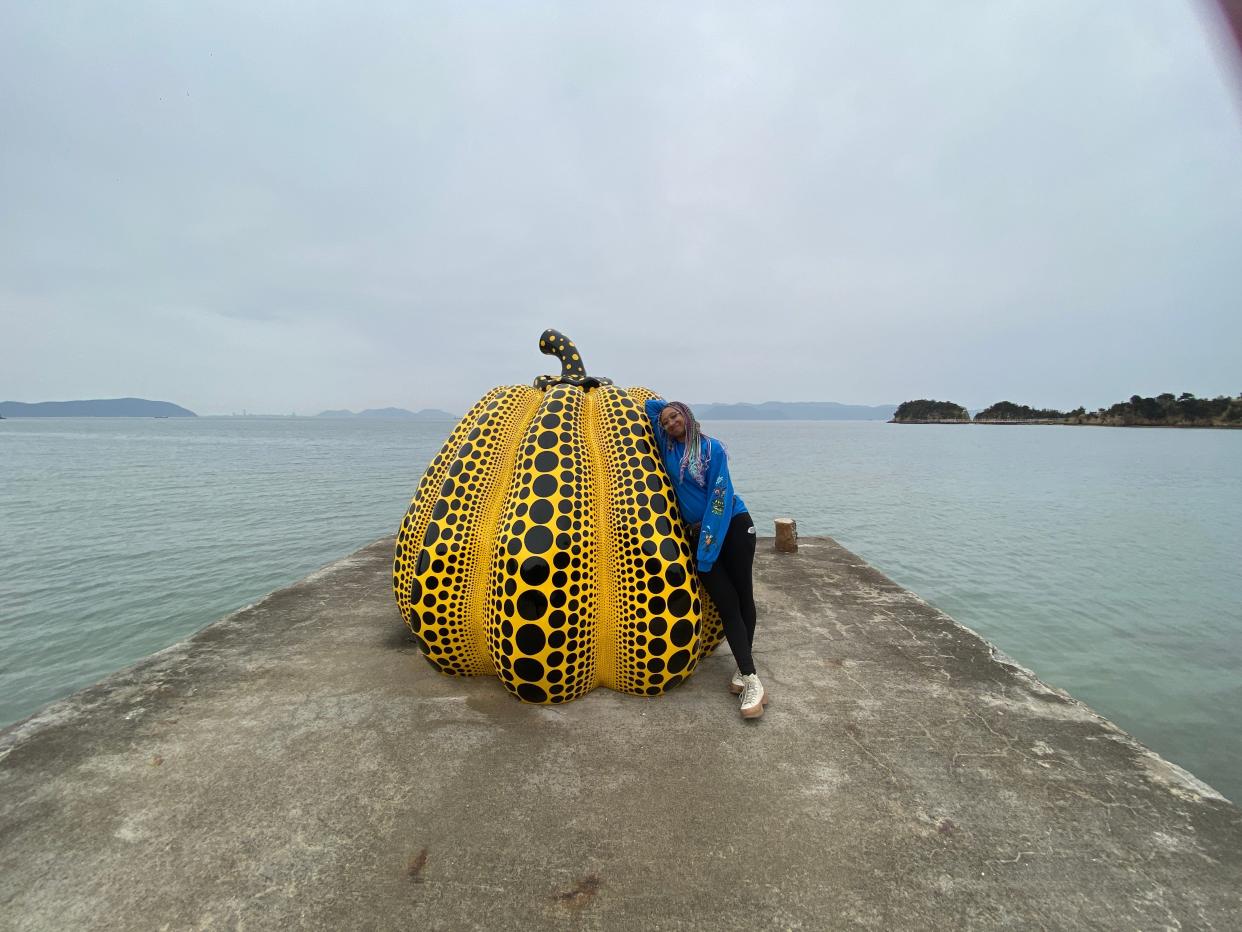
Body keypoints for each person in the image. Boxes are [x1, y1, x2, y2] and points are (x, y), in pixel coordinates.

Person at [645, 398, 767, 719]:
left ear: (687, 416)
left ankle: (748, 676)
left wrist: (708, 545)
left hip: (734, 526)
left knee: (743, 599)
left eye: (676, 417)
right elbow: (650, 406)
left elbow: (719, 494)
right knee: (727, 605)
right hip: (701, 536)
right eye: (667, 420)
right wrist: (666, 406)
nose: (671, 423)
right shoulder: (668, 449)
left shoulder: (713, 449)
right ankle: (747, 673)